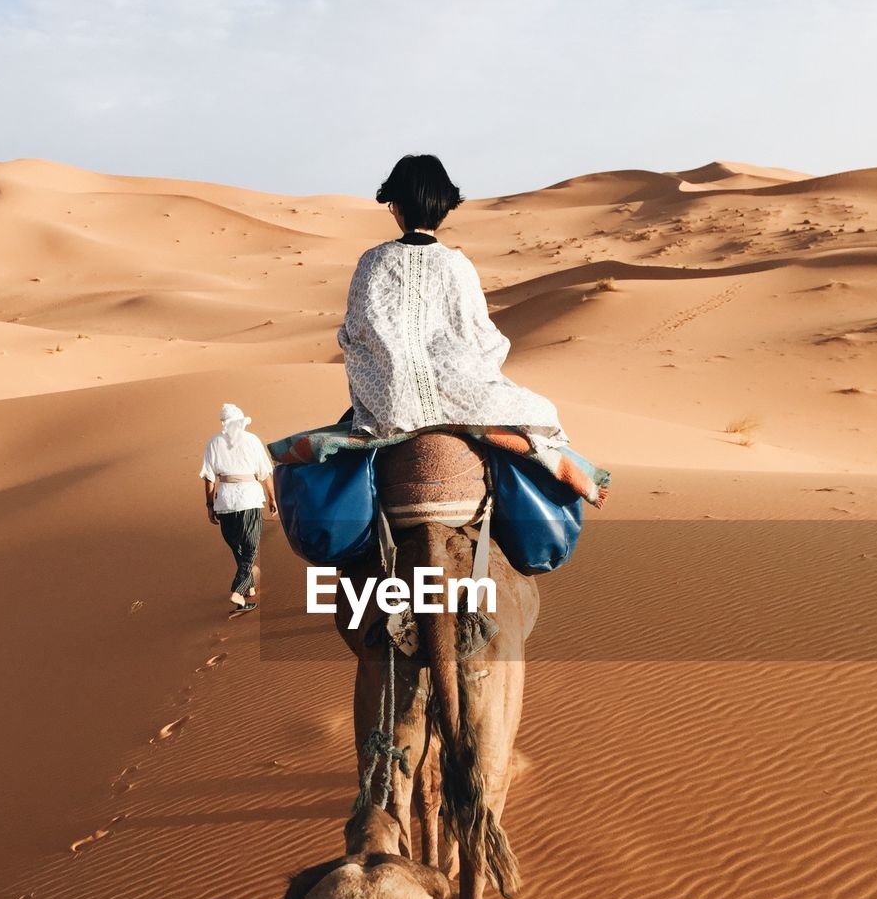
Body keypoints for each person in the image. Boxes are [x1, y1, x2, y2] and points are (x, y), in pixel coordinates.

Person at [337, 154, 607, 508]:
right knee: (538, 414)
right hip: (464, 395)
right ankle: (561, 468)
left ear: (395, 206)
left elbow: (354, 335)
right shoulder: (457, 265)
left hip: (390, 403)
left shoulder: (372, 261)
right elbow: (483, 338)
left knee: (338, 451)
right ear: (444, 208)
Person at [200, 404, 277, 616]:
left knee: (238, 548)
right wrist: (272, 497)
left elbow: (209, 478)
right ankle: (238, 591)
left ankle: (249, 587)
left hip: (225, 501)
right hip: (249, 499)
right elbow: (265, 472)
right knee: (251, 547)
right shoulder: (252, 440)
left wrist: (209, 506)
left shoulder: (213, 443)